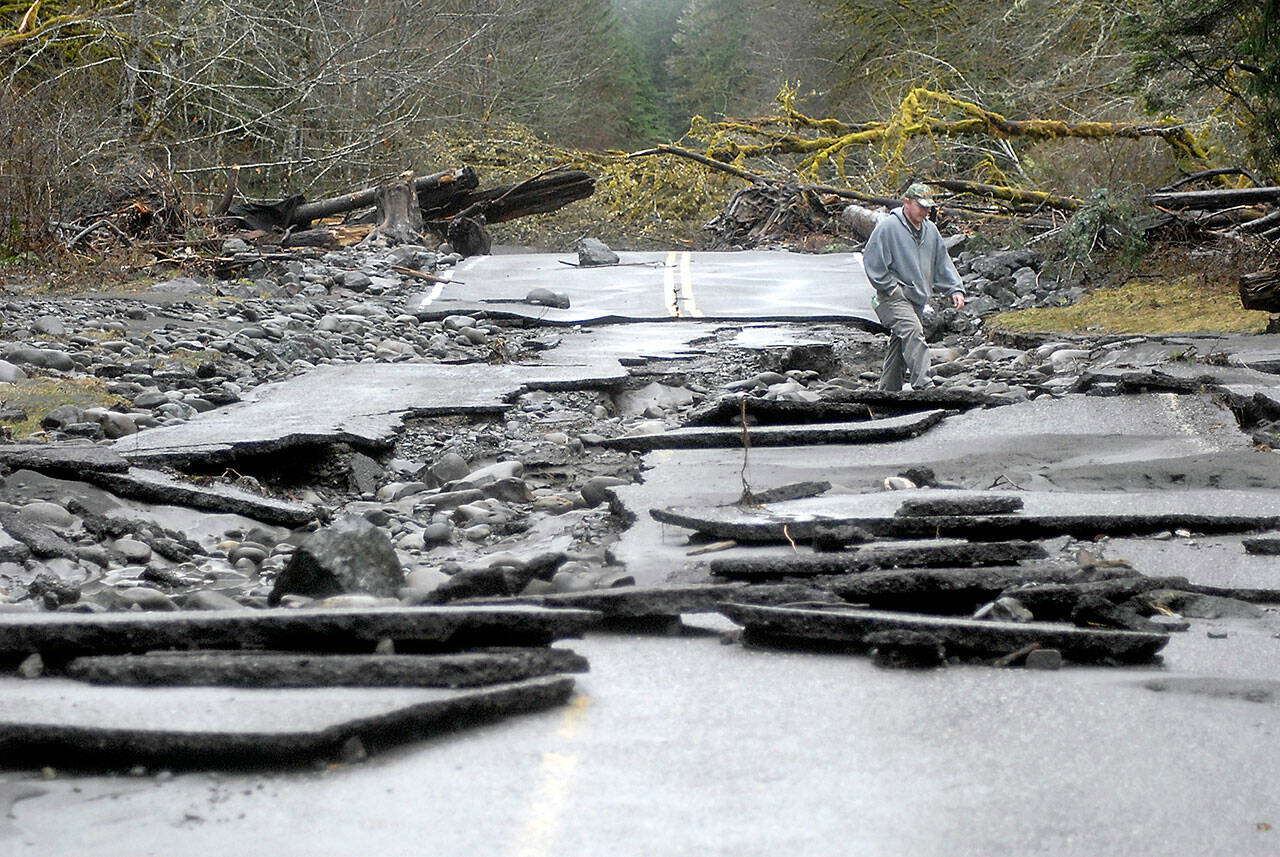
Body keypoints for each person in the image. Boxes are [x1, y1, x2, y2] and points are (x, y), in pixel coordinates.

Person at [862, 182, 965, 391]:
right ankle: (924, 385)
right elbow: (872, 260)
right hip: (891, 298)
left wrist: (954, 288)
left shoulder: (931, 230)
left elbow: (942, 263)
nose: (925, 211)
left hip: (916, 299)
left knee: (900, 344)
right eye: (921, 206)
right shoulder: (888, 227)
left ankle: (888, 391)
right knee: (913, 332)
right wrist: (891, 287)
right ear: (907, 202)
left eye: (929, 208)